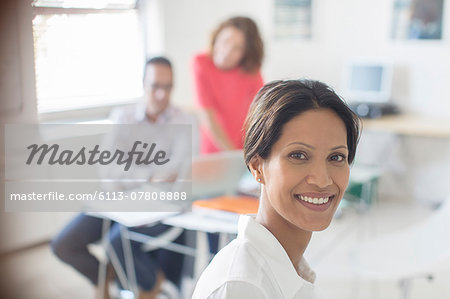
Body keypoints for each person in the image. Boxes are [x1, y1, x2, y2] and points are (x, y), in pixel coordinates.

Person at [192, 79, 361, 298]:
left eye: (336, 157)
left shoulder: (292, 268)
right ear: (257, 166)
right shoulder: (241, 287)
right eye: (298, 155)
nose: (322, 180)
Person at [51, 57, 197, 299]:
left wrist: (132, 172)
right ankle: (112, 276)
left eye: (168, 87)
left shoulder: (185, 121)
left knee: (116, 240)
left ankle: (145, 284)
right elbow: (109, 171)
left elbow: (180, 170)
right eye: (155, 86)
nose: (162, 94)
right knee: (63, 244)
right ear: (143, 84)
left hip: (157, 204)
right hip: (114, 198)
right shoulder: (123, 117)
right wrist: (151, 175)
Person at [192, 16, 264, 154]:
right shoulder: (200, 63)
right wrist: (233, 154)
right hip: (216, 150)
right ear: (216, 37)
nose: (226, 52)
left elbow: (262, 110)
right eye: (225, 41)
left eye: (237, 48)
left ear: (246, 53)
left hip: (246, 148)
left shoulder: (252, 70)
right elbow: (206, 115)